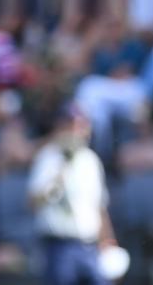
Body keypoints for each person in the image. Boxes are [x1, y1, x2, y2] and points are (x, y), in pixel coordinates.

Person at [28, 103, 117, 285]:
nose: (76, 130)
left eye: (81, 124)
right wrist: (57, 180)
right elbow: (32, 202)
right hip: (59, 246)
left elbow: (99, 205)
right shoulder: (48, 157)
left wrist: (107, 240)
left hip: (90, 246)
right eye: (71, 124)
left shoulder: (91, 160)